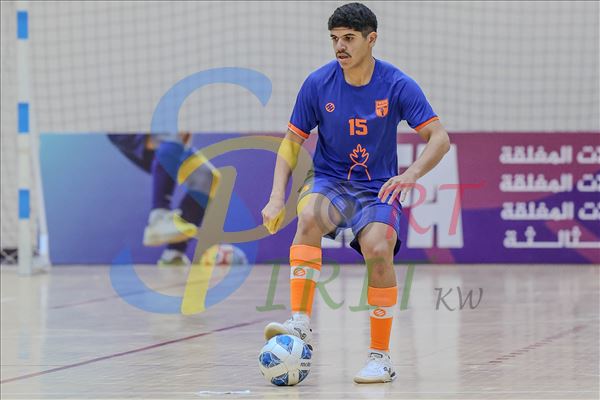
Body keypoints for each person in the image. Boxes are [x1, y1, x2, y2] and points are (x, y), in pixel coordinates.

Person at [261, 3, 450, 383]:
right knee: (309, 214)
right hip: (329, 179)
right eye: (334, 39)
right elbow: (291, 143)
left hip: (376, 186)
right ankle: (299, 323)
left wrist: (412, 173)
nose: (340, 47)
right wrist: (276, 196)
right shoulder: (318, 83)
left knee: (379, 248)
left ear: (371, 39)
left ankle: (380, 358)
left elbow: (439, 138)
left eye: (348, 38)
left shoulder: (397, 84)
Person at [108, 132, 219, 266]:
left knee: (205, 176)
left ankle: (173, 254)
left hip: (167, 138)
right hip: (127, 128)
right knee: (172, 138)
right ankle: (158, 219)